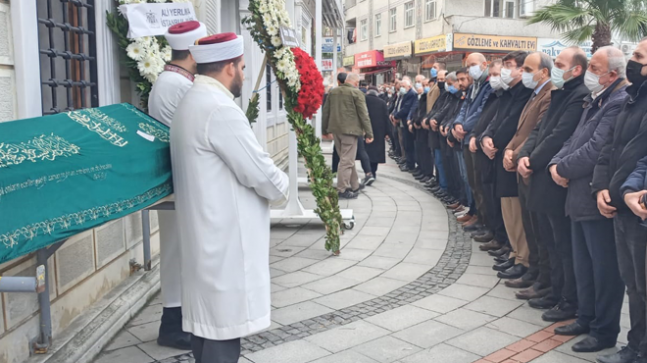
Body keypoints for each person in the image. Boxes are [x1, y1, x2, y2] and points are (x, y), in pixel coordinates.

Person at [171, 32, 289, 363]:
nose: (244, 74)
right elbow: (261, 173)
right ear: (228, 69)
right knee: (222, 333)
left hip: (205, 238)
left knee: (207, 331)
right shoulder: (219, 107)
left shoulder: (192, 100)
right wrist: (284, 185)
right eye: (241, 66)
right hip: (223, 241)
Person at [546, 46, 628, 353]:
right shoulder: (595, 99)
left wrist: (562, 167)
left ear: (611, 74)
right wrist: (556, 163)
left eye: (595, 67)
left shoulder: (617, 102)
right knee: (584, 266)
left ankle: (604, 330)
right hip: (577, 198)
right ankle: (586, 317)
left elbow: (595, 150)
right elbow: (573, 139)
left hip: (595, 200)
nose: (589, 71)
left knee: (604, 270)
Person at [517, 46, 589, 322]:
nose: (556, 68)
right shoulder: (560, 92)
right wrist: (525, 155)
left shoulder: (579, 95)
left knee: (562, 245)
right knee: (548, 240)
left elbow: (559, 136)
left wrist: (532, 161)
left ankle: (567, 298)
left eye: (560, 63)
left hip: (553, 180)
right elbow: (539, 129)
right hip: (539, 174)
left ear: (576, 69)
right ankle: (552, 288)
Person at [147, 20, 207, 350]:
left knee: (180, 251)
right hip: (180, 180)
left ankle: (178, 320)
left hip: (178, 179)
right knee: (177, 252)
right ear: (194, 50)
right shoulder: (177, 85)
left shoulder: (175, 80)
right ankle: (172, 325)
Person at [593, 37, 647, 363]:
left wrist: (628, 192)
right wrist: (603, 187)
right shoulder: (632, 98)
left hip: (637, 206)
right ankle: (635, 346)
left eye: (638, 56)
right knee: (633, 284)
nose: (632, 62)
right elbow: (610, 147)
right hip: (622, 205)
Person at [503, 52, 554, 302]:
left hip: (532, 169)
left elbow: (538, 131)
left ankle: (540, 276)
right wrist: (509, 149)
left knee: (538, 229)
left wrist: (518, 154)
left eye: (527, 68)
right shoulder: (534, 94)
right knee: (529, 225)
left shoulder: (550, 93)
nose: (523, 73)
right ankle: (533, 272)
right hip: (520, 163)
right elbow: (520, 130)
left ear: (543, 72)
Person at [480, 51, 533, 279]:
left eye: (509, 66)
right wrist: (486, 136)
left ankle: (522, 257)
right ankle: (514, 252)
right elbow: (497, 120)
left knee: (516, 212)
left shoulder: (525, 94)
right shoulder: (508, 93)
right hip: (500, 154)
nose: (504, 71)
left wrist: (501, 144)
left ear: (522, 69)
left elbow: (516, 126)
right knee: (507, 209)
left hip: (511, 156)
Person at [452, 53, 493, 229]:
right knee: (472, 181)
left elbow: (481, 111)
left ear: (485, 65)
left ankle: (482, 219)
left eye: (473, 65)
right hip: (467, 137)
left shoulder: (488, 85)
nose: (470, 70)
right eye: (468, 66)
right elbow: (465, 108)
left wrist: (465, 127)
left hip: (475, 137)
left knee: (479, 183)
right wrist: (458, 124)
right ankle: (476, 214)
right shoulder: (474, 86)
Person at [322, 72, 374, 199]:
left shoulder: (333, 92)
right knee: (347, 160)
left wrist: (324, 130)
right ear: (356, 83)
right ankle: (342, 189)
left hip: (336, 130)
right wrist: (369, 133)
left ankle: (355, 184)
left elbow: (326, 111)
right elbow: (364, 115)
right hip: (350, 131)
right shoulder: (357, 93)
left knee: (346, 158)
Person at [364, 86, 391, 180]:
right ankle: (373, 172)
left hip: (365, 130)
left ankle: (367, 172)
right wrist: (388, 132)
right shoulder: (382, 103)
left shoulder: (363, 101)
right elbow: (386, 118)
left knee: (366, 152)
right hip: (379, 131)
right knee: (375, 153)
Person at [392, 79, 418, 172]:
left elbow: (406, 108)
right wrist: (394, 115)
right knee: (405, 143)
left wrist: (396, 116)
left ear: (409, 86)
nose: (401, 88)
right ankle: (407, 161)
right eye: (401, 86)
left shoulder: (411, 94)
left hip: (406, 122)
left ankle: (410, 164)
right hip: (402, 122)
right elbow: (398, 106)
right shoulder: (404, 94)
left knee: (409, 144)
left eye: (403, 86)